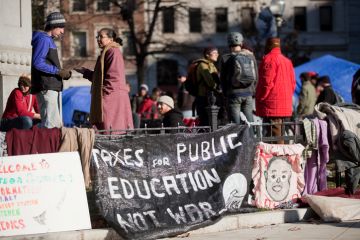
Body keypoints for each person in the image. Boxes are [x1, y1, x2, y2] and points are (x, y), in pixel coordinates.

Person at [75, 28, 133, 132]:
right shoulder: (107, 52)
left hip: (112, 98)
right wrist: (86, 73)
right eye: (97, 36)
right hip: (110, 96)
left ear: (110, 39)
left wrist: (103, 95)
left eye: (101, 37)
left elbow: (113, 78)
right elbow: (100, 78)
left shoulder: (113, 52)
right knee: (106, 130)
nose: (98, 39)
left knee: (110, 131)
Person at [31, 12, 72, 128]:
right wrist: (57, 71)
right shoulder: (44, 40)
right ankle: (46, 146)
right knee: (51, 125)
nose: (62, 31)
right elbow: (38, 63)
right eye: (60, 27)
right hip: (47, 86)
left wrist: (60, 72)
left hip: (50, 86)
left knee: (52, 124)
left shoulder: (47, 40)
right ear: (53, 26)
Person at [255, 37, 296, 144]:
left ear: (268, 46)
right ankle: (282, 158)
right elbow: (293, 83)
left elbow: (266, 83)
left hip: (272, 104)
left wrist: (260, 97)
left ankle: (278, 159)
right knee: (281, 134)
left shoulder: (268, 59)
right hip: (284, 103)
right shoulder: (287, 61)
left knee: (273, 137)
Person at [220, 32, 258, 125]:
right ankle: (252, 138)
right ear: (241, 43)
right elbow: (256, 76)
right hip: (248, 93)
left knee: (235, 125)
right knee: (250, 123)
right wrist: (252, 90)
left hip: (233, 94)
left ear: (229, 44)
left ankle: (238, 139)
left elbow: (223, 79)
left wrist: (225, 93)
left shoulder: (225, 58)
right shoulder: (250, 56)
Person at [195, 46, 220, 126]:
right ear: (207, 55)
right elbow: (210, 83)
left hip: (210, 98)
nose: (217, 55)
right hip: (203, 98)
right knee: (205, 122)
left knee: (212, 122)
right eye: (215, 53)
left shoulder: (212, 65)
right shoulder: (203, 65)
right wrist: (218, 87)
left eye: (217, 53)